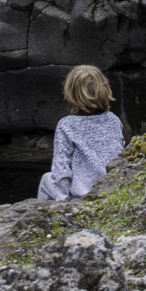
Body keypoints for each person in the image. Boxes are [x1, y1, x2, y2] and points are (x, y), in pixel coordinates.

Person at [37, 65, 125, 201]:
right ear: (105, 89)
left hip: (81, 196)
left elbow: (61, 169)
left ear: (71, 93)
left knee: (46, 179)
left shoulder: (66, 125)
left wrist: (63, 201)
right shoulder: (113, 120)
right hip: (110, 191)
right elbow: (120, 154)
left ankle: (45, 216)